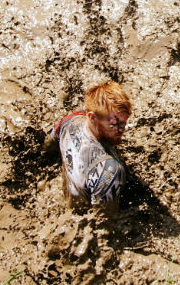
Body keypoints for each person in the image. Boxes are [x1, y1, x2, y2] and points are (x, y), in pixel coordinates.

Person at [45, 81, 132, 214]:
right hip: (78, 215)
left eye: (124, 122)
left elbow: (48, 147)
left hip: (68, 196)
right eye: (114, 124)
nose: (122, 129)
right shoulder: (109, 170)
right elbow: (103, 224)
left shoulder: (69, 121)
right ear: (92, 118)